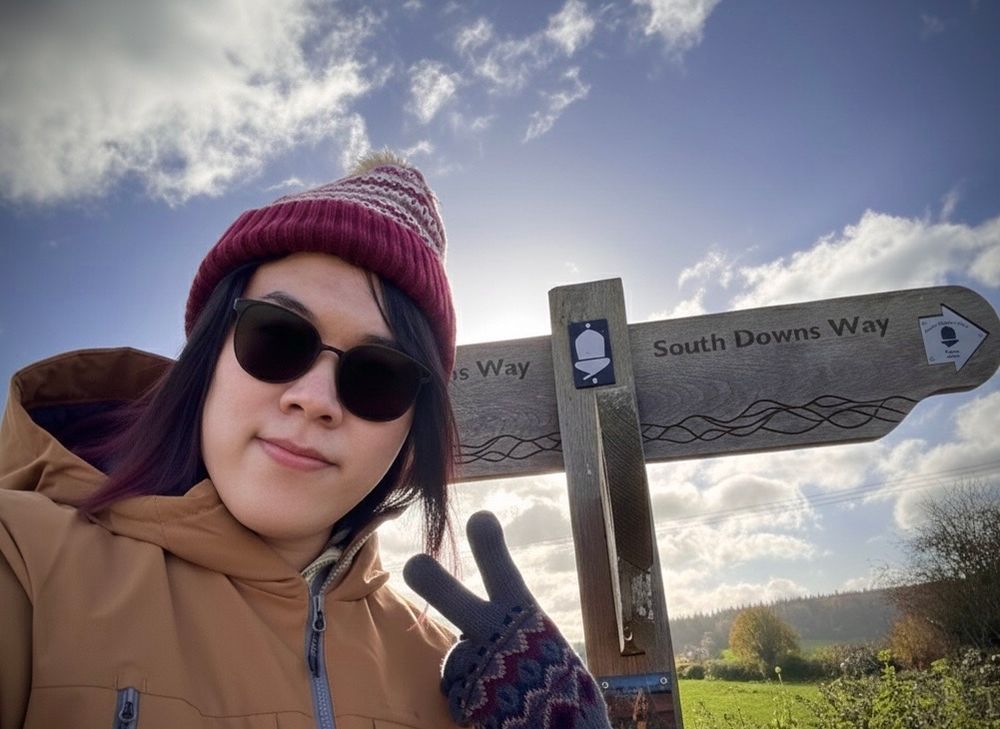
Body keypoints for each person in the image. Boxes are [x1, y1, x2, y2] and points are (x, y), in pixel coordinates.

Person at [0, 153, 611, 729]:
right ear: (207, 356)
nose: (315, 400)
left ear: (408, 432)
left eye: (378, 377)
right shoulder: (25, 564)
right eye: (278, 337)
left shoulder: (444, 675)